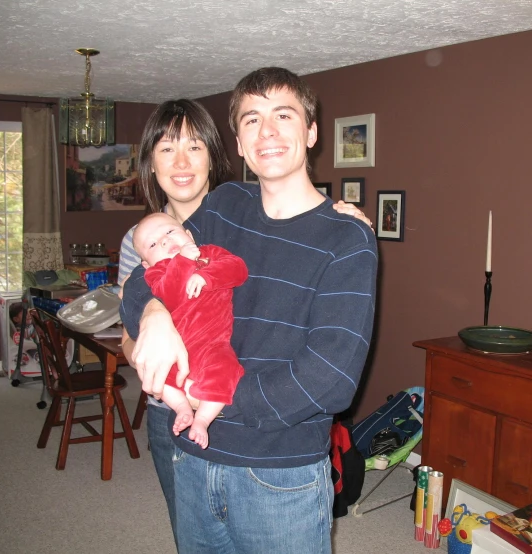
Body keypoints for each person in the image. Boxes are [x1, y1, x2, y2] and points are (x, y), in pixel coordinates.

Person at [122, 67, 378, 553]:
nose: (268, 132)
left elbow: (331, 379)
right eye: (252, 119)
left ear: (311, 131)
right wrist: (155, 312)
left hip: (278, 476)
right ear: (238, 143)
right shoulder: (223, 206)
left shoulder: (348, 239)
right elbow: (146, 276)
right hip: (193, 458)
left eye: (284, 115)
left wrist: (207, 397)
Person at [132, 212, 247, 448]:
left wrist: (207, 276)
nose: (164, 241)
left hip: (214, 345)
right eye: (153, 244)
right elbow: (170, 296)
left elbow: (238, 269)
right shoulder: (157, 273)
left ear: (188, 235)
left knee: (227, 371)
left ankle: (203, 420)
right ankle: (181, 407)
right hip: (176, 349)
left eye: (170, 231)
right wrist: (182, 262)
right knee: (158, 377)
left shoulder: (211, 254)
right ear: (146, 264)